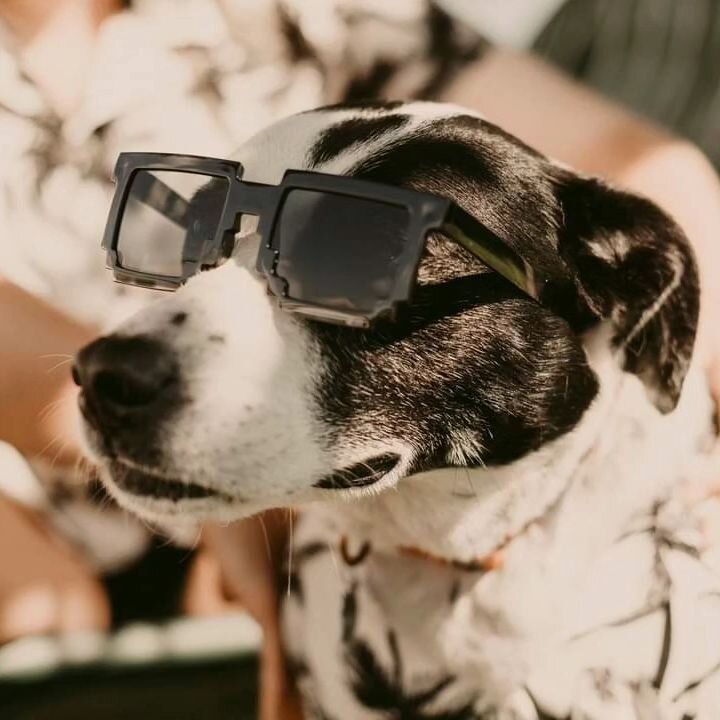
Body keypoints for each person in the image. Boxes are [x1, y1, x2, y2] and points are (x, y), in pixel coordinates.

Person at [1, 2, 720, 719]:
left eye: (350, 254)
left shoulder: (293, 12)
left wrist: (697, 379)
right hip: (84, 509)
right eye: (207, 232)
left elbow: (645, 163)